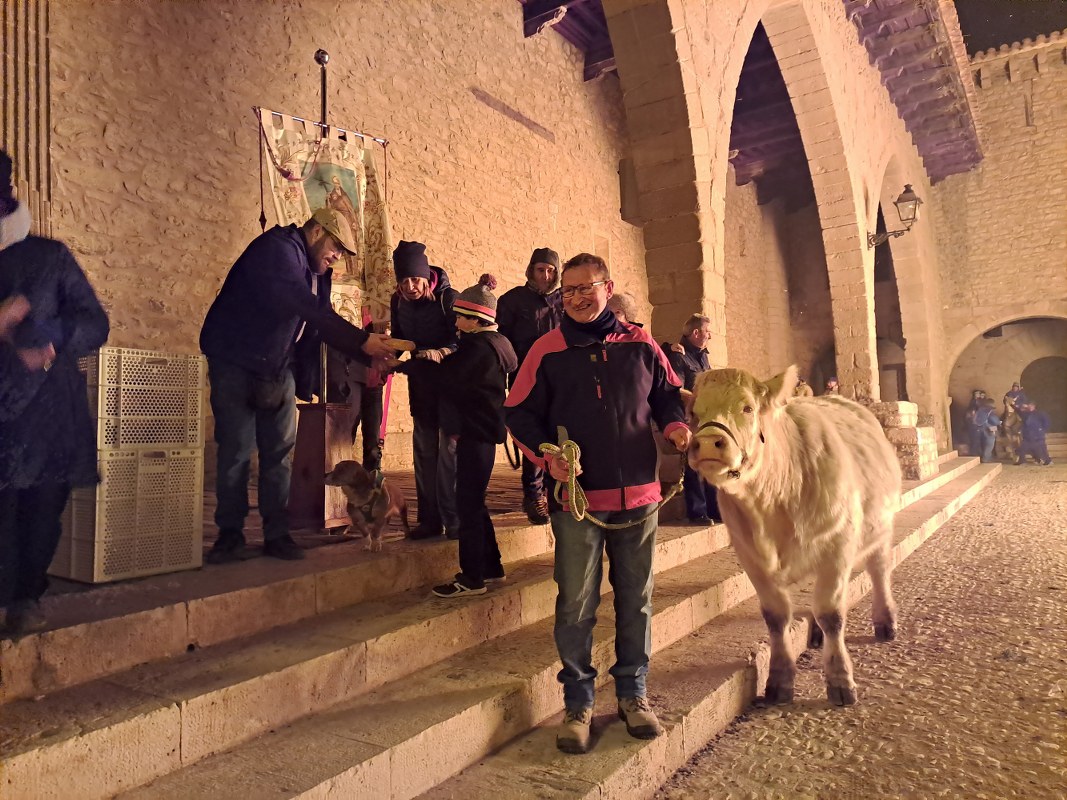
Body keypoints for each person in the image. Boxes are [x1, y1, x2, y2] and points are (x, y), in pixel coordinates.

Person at [505, 253, 691, 755]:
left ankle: (633, 694)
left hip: (640, 498)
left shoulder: (641, 343)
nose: (576, 298)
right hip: (578, 501)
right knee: (576, 604)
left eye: (585, 287)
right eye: (567, 291)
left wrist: (675, 426)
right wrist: (546, 456)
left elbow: (667, 395)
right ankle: (578, 703)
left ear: (607, 288)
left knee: (637, 599)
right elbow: (517, 413)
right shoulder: (547, 350)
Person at [200, 208, 393, 563]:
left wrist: (367, 355)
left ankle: (277, 535)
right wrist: (363, 341)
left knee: (279, 454)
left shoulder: (319, 272)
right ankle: (229, 537)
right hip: (236, 362)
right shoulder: (277, 250)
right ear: (317, 231)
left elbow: (319, 323)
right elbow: (303, 305)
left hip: (277, 367)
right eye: (336, 247)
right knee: (236, 451)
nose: (337, 257)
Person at [1, 149, 110, 634]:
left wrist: (46, 337)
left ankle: (26, 597)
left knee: (41, 509)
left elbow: (95, 322)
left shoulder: (49, 257)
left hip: (47, 411)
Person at [432, 274, 517, 598]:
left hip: (474, 433)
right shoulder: (496, 344)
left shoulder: (478, 349)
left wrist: (413, 363)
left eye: (460, 316)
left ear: (475, 319)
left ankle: (471, 577)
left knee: (467, 505)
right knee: (474, 501)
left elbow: (448, 380)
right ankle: (492, 567)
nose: (456, 322)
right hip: (484, 434)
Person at [390, 240, 461, 539]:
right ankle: (429, 520)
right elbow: (399, 338)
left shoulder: (448, 299)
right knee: (424, 452)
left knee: (449, 455)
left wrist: (442, 352)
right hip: (420, 386)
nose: (410, 287)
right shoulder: (398, 302)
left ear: (426, 275)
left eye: (415, 280)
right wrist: (386, 356)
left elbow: (465, 340)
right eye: (403, 281)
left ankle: (454, 520)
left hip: (450, 387)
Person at [496, 247, 562, 525]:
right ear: (531, 270)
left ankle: (555, 492)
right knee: (534, 435)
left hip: (560, 378)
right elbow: (502, 343)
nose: (545, 275)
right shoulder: (512, 300)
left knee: (558, 432)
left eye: (550, 270)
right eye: (540, 269)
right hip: (526, 377)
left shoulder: (565, 300)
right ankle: (534, 495)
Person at [666, 314, 721, 524]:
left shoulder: (703, 356)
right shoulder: (678, 356)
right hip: (690, 418)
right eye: (708, 332)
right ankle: (698, 512)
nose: (711, 336)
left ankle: (715, 509)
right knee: (694, 464)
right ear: (696, 333)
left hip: (707, 418)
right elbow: (676, 388)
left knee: (711, 461)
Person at [327, 308, 387, 471]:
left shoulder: (378, 311)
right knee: (348, 431)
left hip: (374, 379)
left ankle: (372, 478)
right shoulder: (347, 309)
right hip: (352, 375)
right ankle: (341, 474)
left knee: (373, 437)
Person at [1017, 401, 1052, 466]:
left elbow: (1046, 422)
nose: (1029, 406)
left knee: (1042, 449)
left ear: (1034, 406)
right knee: (1023, 448)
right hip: (1027, 435)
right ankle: (1022, 461)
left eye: (1031, 405)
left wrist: (1042, 430)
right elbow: (1018, 409)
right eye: (1029, 405)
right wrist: (1022, 405)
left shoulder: (1040, 413)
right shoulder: (1025, 414)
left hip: (1038, 435)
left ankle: (1048, 461)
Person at [973, 396, 1001, 463]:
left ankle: (986, 457)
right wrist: (998, 422)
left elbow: (976, 420)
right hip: (989, 429)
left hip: (980, 429)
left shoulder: (980, 410)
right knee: (990, 444)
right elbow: (994, 421)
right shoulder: (989, 411)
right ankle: (986, 458)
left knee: (983, 444)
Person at [964, 388, 988, 458]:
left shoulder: (981, 403)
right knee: (974, 440)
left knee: (979, 440)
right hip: (974, 424)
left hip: (979, 424)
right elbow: (971, 412)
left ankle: (977, 454)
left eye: (979, 394)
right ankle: (974, 454)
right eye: (977, 394)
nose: (978, 395)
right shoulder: (973, 403)